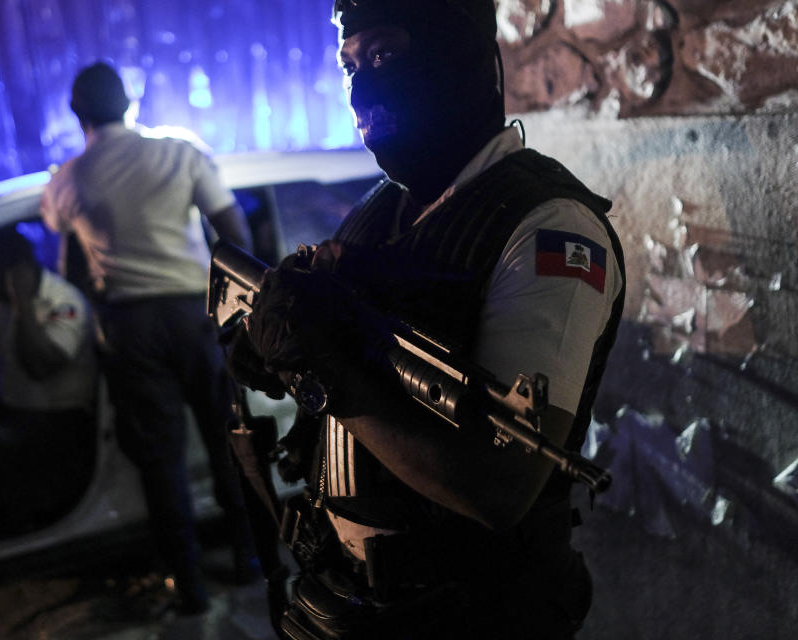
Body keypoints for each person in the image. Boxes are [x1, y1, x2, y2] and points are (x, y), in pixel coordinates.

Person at [230, 1, 626, 638]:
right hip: (351, 601)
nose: (363, 84)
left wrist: (324, 375)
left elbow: (498, 488)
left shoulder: (549, 227)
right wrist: (274, 347)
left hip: (476, 612)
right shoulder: (380, 209)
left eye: (385, 55)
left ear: (455, 57)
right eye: (350, 64)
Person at [40, 61, 258, 614]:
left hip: (130, 329)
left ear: (77, 113)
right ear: (130, 103)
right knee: (226, 442)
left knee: (163, 463)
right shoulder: (180, 151)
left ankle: (189, 587)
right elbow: (234, 230)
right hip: (195, 316)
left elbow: (63, 259)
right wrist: (234, 301)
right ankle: (250, 559)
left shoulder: (68, 178)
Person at [0, 228, 97, 536]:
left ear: (17, 274)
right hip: (22, 411)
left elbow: (40, 367)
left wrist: (23, 304)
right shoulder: (2, 304)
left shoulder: (62, 302)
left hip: (62, 418)